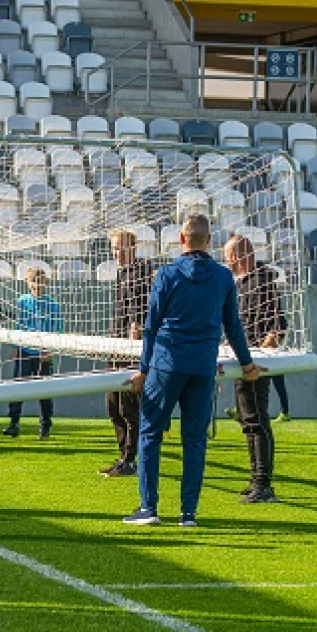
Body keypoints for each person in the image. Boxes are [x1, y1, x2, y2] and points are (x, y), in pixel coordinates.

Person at [123, 215, 263, 528]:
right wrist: (248, 364)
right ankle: (189, 513)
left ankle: (149, 507)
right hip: (202, 367)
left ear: (182, 240)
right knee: (195, 440)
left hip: (167, 365)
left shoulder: (167, 274)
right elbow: (234, 327)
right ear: (209, 240)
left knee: (149, 433)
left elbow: (151, 327)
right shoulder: (223, 277)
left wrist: (144, 370)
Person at [224, 235, 285, 503]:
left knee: (257, 419)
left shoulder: (263, 281)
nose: (226, 263)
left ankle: (264, 483)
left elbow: (278, 325)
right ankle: (255, 480)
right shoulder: (243, 284)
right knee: (249, 421)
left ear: (237, 257)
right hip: (243, 361)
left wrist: (261, 355)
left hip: (255, 363)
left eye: (228, 257)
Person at [100, 229, 154, 477]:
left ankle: (130, 459)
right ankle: (123, 455)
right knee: (112, 404)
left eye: (120, 248)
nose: (116, 253)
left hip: (131, 350)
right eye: (113, 248)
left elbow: (141, 308)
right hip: (116, 346)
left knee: (128, 406)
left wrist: (136, 330)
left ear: (133, 247)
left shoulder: (142, 270)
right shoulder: (121, 273)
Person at [3, 268, 63, 440]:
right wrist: (15, 345)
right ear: (27, 283)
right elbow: (18, 324)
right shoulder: (22, 301)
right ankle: (13, 423)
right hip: (24, 350)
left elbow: (57, 328)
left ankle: (45, 426)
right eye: (32, 281)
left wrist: (50, 349)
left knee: (43, 390)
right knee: (18, 386)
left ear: (45, 282)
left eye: (39, 280)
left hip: (42, 352)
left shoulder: (52, 304)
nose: (36, 284)